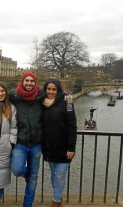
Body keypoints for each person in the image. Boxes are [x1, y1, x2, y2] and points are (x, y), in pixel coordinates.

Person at [9, 71, 45, 207]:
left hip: (36, 143)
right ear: (22, 81)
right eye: (27, 80)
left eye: (32, 81)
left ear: (35, 83)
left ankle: (27, 204)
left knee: (33, 177)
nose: (29, 83)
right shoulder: (14, 95)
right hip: (21, 143)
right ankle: (28, 174)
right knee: (17, 170)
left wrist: (66, 97)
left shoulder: (41, 95)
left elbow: (56, 92)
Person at [41, 78, 77, 207]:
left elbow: (72, 125)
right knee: (54, 177)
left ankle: (55, 203)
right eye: (49, 89)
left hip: (64, 149)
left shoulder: (67, 101)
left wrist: (71, 148)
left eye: (54, 89)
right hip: (49, 148)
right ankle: (60, 202)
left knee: (60, 176)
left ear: (58, 90)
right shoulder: (42, 102)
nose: (51, 92)